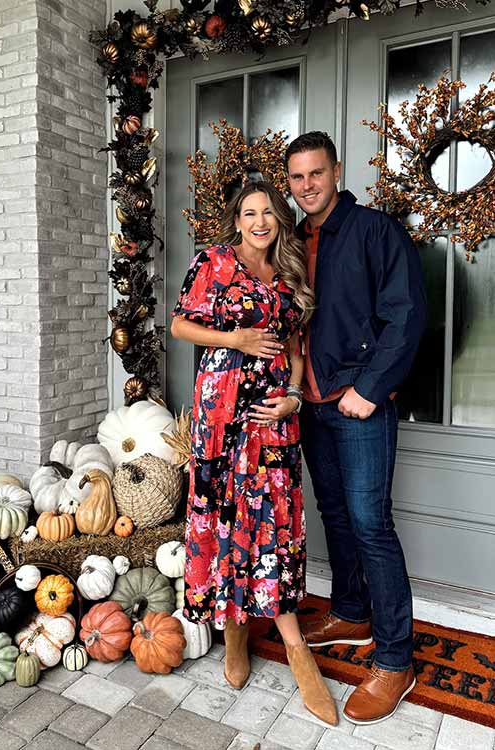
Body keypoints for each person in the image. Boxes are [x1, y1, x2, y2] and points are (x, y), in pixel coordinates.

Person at [170, 181, 338, 726]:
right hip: (220, 415)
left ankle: (293, 646)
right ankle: (235, 628)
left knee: (274, 520)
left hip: (273, 420)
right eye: (250, 212)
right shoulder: (214, 262)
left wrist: (292, 397)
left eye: (268, 211)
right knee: (226, 518)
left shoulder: (289, 276)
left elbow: (293, 349)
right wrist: (236, 340)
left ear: (278, 219)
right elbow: (178, 325)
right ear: (236, 220)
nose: (260, 220)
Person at [285, 131, 427, 725]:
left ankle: (395, 659)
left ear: (336, 171)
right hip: (313, 405)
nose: (307, 185)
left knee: (371, 523)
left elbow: (408, 313)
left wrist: (370, 390)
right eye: (296, 177)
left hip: (358, 402)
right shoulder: (290, 240)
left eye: (317, 173)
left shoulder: (375, 230)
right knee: (336, 515)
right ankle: (350, 611)